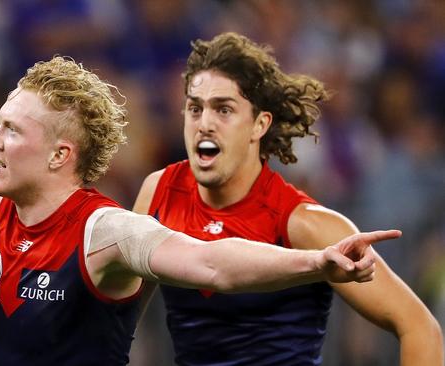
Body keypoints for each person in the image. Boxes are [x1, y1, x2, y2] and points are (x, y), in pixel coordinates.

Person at [0, 43, 400, 366]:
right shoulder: (3, 207)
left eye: (11, 130)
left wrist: (316, 262)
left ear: (60, 154)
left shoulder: (104, 231)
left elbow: (209, 262)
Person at [133, 32, 443, 365]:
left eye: (223, 109)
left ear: (259, 124)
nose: (204, 123)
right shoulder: (161, 192)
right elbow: (115, 315)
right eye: (195, 108)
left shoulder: (306, 224)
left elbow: (419, 328)